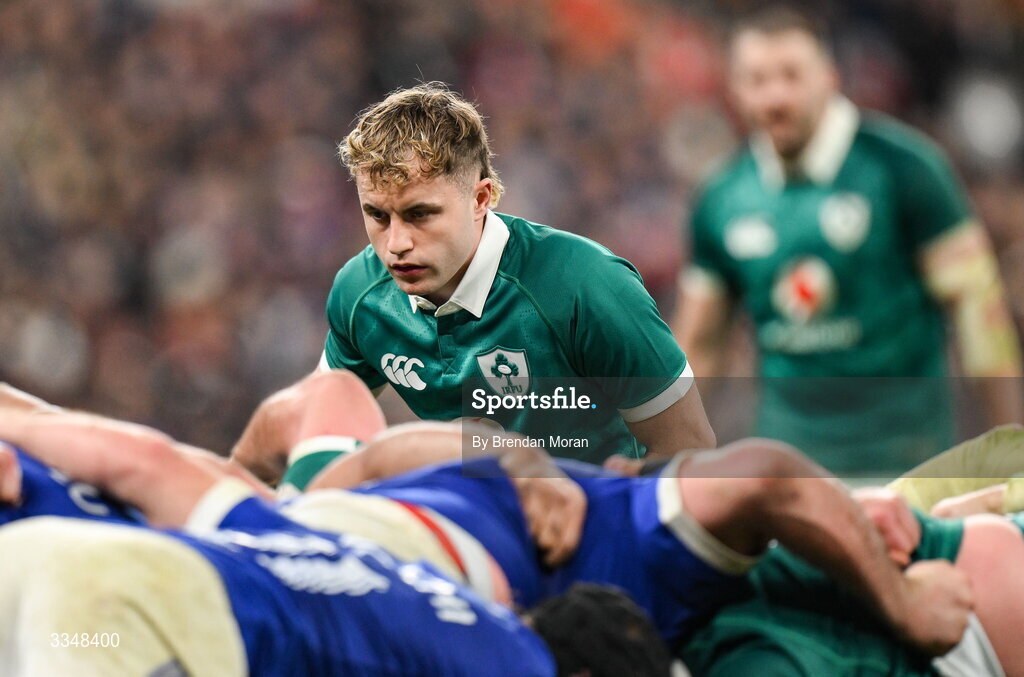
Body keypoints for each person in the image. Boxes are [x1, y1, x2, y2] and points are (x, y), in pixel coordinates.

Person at [0, 378, 972, 659]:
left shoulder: (615, 542)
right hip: (277, 547)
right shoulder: (611, 518)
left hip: (248, 563)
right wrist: (904, 604)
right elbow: (333, 404)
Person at [670, 7, 1023, 473]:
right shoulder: (721, 198)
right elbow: (701, 343)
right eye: (756, 80)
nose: (775, 96)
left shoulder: (907, 170)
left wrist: (1011, 451)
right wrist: (662, 464)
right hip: (789, 476)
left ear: (830, 77)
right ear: (734, 89)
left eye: (791, 76)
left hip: (909, 465)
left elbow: (981, 315)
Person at [310, 82, 714, 463]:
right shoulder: (361, 294)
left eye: (420, 214)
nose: (396, 243)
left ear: (480, 198)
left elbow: (686, 448)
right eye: (377, 215)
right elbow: (318, 436)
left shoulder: (585, 287)